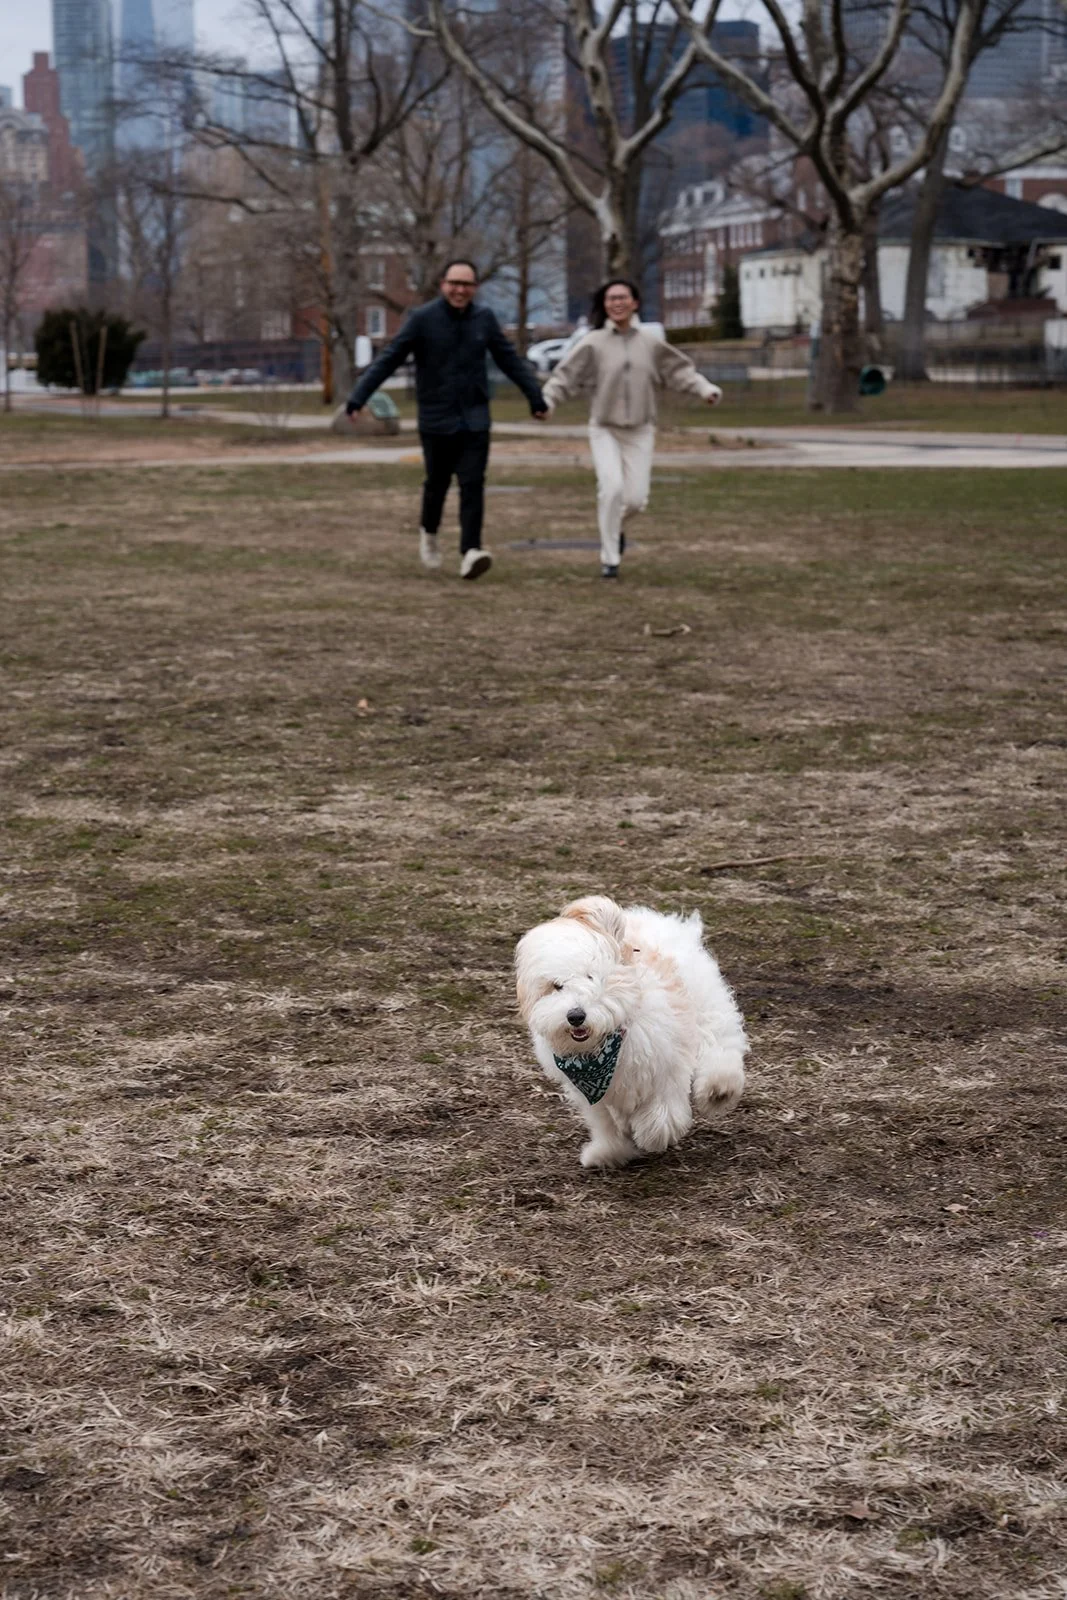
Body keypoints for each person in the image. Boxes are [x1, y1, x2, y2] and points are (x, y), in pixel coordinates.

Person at [345, 259, 547, 580]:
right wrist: (358, 397)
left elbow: (509, 359)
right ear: (443, 284)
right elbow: (390, 358)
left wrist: (536, 398)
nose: (460, 290)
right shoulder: (423, 319)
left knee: (472, 484)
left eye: (466, 285)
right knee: (437, 484)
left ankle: (471, 551)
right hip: (436, 417)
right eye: (454, 283)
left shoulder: (484, 319)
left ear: (475, 289)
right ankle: (430, 533)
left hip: (475, 417)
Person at [541, 278, 723, 579]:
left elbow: (678, 371)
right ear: (604, 305)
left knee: (636, 500)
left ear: (635, 303)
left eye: (623, 298)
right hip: (604, 428)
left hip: (640, 429)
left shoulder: (649, 342)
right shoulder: (593, 342)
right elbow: (566, 377)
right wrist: (547, 402)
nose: (617, 303)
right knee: (611, 488)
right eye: (611, 299)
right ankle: (610, 558)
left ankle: (614, 529)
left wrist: (704, 389)